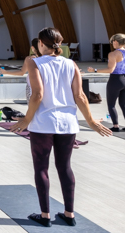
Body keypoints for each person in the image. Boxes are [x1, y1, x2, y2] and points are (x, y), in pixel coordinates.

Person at [10, 27, 112, 228]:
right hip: (67, 123)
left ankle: (45, 215)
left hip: (43, 123)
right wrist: (91, 121)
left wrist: (26, 120)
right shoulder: (71, 64)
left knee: (41, 168)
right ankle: (69, 214)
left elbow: (37, 95)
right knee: (65, 167)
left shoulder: (34, 63)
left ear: (40, 44)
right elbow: (80, 96)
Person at [87, 33, 125, 132]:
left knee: (111, 104)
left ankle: (116, 126)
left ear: (116, 42)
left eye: (112, 41)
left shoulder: (113, 54)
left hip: (116, 79)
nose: (112, 43)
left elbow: (110, 70)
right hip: (124, 79)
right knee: (123, 104)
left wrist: (94, 70)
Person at [0, 38, 42, 104]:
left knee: (33, 108)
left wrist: (6, 72)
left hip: (32, 87)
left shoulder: (29, 59)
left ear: (32, 48)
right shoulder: (47, 58)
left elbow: (22, 72)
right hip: (45, 86)